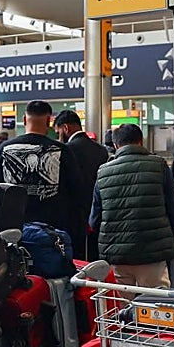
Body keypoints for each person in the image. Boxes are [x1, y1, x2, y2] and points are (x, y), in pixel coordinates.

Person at [89, 124, 174, 289]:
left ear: (116, 145)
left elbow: (94, 220)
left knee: (120, 309)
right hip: (152, 254)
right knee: (155, 307)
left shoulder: (103, 171)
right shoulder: (159, 165)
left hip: (117, 256)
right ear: (141, 141)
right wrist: (160, 235)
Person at [0, 101, 81, 247]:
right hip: (52, 232)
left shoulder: (4, 148)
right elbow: (76, 191)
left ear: (24, 119)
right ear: (49, 121)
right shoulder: (62, 150)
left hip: (13, 231)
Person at [54, 110, 110, 259]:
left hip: (73, 215)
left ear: (65, 128)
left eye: (58, 132)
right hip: (97, 214)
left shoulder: (66, 150)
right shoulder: (101, 150)